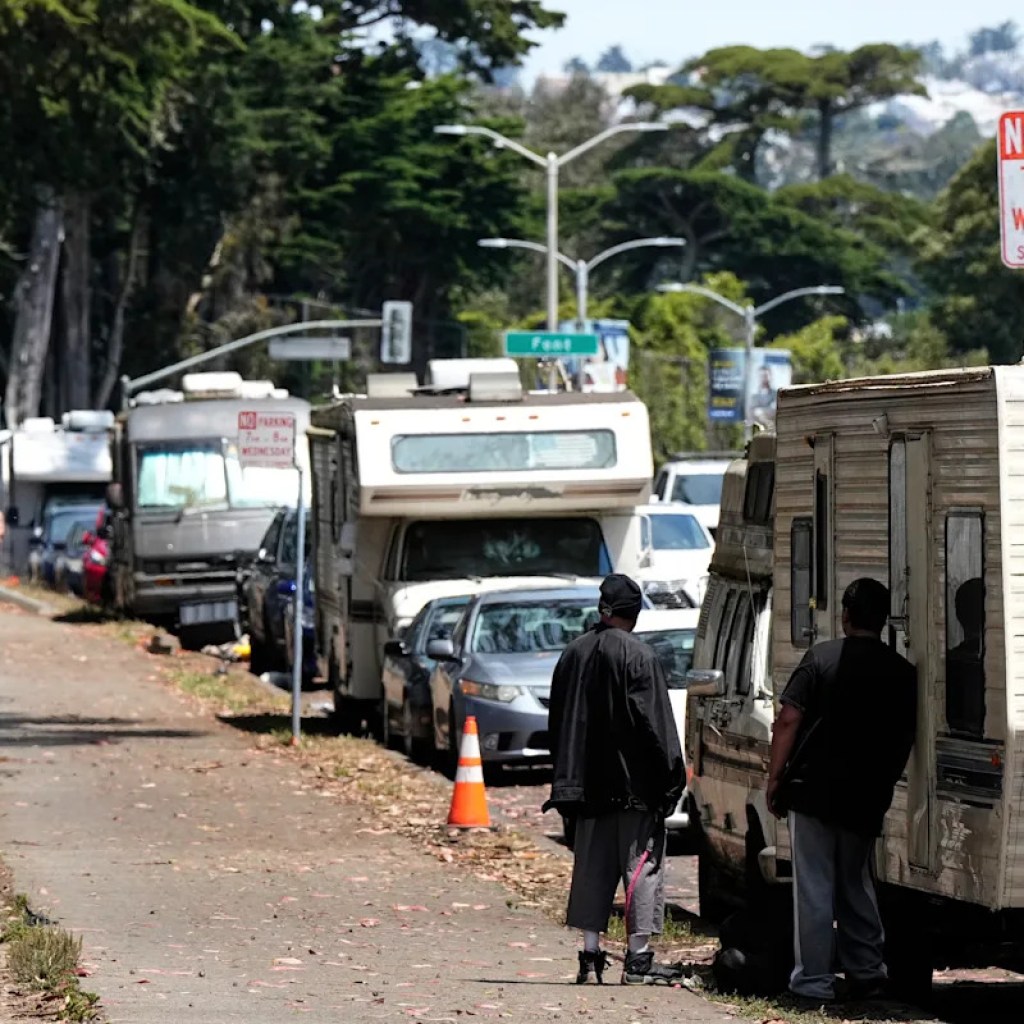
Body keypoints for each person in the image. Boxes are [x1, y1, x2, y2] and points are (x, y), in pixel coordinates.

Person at [767, 578, 916, 1004]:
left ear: (846, 615)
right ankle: (867, 972)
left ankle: (813, 983)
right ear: (884, 619)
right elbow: (905, 737)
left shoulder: (820, 658)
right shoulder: (903, 673)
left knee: (813, 886)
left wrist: (775, 778)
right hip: (866, 795)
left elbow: (788, 720)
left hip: (812, 791)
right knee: (856, 883)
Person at [544, 573, 686, 986]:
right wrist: (671, 783)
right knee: (641, 868)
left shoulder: (572, 653)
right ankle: (638, 960)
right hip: (635, 788)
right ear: (635, 613)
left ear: (601, 609)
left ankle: (590, 955)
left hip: (584, 786)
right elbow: (657, 726)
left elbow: (559, 724)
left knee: (592, 869)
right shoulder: (639, 656)